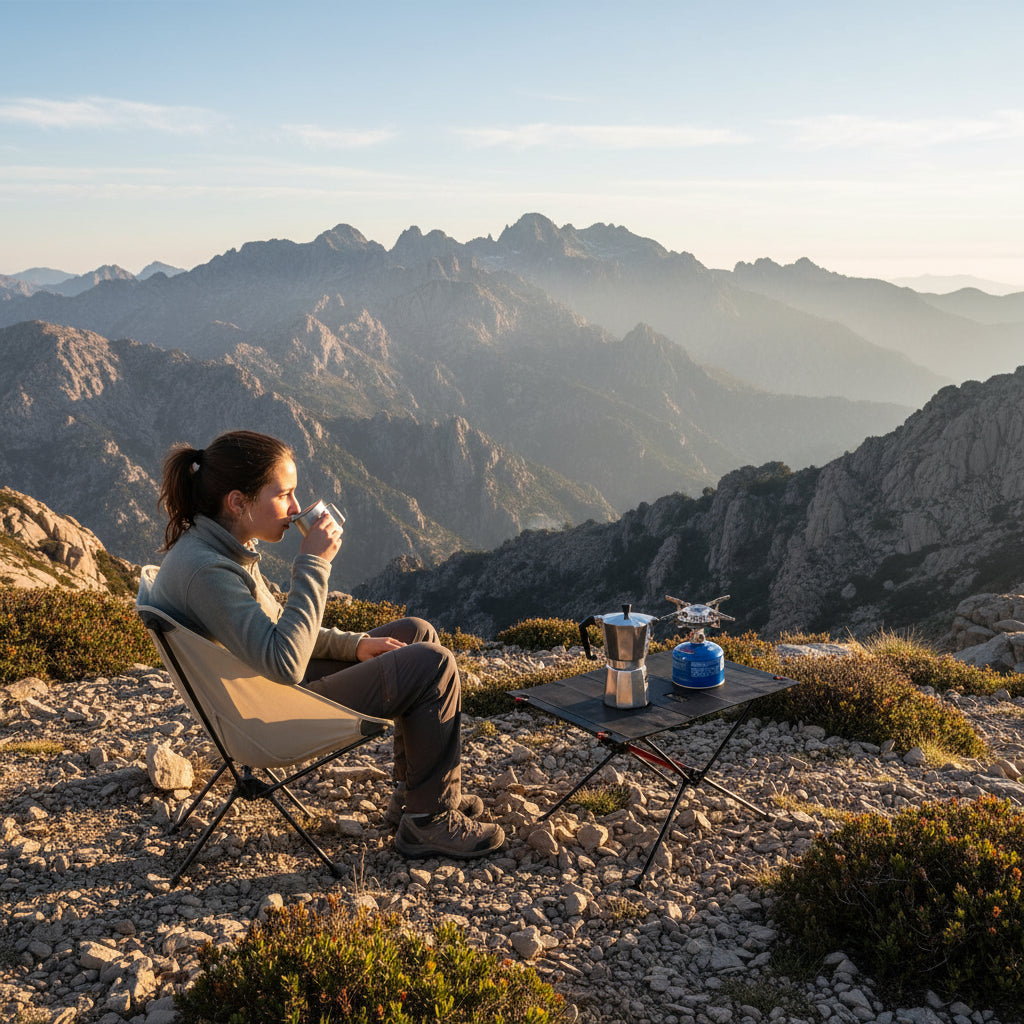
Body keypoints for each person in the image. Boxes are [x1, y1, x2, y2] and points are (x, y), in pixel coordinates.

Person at [148, 429, 504, 860]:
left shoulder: (219, 547)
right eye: (284, 495)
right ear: (238, 502)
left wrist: (353, 646)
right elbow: (284, 662)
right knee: (434, 665)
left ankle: (416, 797)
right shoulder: (208, 572)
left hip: (261, 686)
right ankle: (430, 823)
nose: (296, 508)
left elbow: (277, 629)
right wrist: (313, 564)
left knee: (415, 632)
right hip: (266, 713)